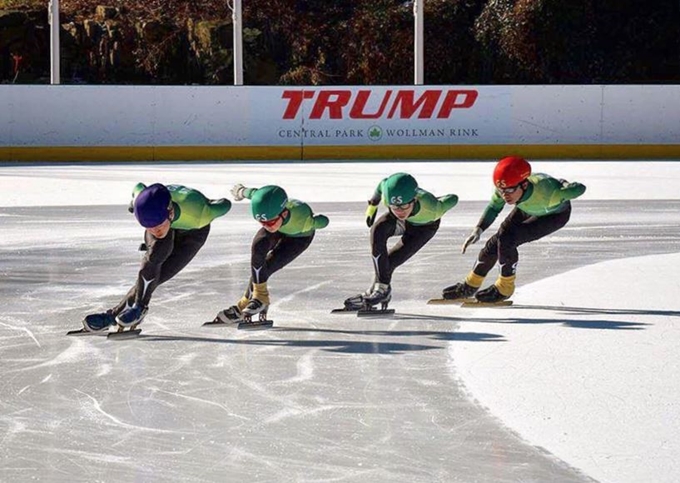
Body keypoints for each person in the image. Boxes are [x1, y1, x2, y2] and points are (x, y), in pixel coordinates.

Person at [82, 183, 231, 332]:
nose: (155, 231)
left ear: (170, 212)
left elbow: (225, 204)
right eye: (148, 226)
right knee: (155, 257)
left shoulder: (200, 213)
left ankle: (120, 313)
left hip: (193, 231)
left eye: (157, 226)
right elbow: (138, 187)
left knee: (160, 275)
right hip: (165, 215)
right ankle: (129, 311)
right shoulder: (143, 200)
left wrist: (221, 199)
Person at [442, 156, 586, 303]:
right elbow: (493, 207)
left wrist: (564, 184)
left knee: (508, 239)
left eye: (509, 190)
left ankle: (505, 288)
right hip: (527, 207)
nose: (505, 195)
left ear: (524, 185)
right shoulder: (507, 188)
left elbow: (580, 188)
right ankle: (471, 284)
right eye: (501, 190)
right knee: (495, 241)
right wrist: (478, 229)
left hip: (553, 215)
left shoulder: (550, 193)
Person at [215, 184, 329, 322]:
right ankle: (258, 298)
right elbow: (254, 194)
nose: (267, 226)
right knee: (258, 247)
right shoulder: (268, 214)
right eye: (262, 223)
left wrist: (319, 222)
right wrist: (241, 191)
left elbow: (323, 221)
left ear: (284, 213)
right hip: (282, 226)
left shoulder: (303, 220)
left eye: (270, 222)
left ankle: (244, 305)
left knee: (267, 266)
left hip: (299, 237)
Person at [344, 172, 458, 310]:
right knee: (377, 230)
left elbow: (453, 198)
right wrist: (373, 206)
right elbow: (382, 184)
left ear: (414, 199)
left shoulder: (432, 208)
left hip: (423, 227)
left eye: (404, 206)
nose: (400, 211)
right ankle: (380, 289)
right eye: (394, 207)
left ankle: (378, 291)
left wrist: (440, 201)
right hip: (401, 222)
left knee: (390, 261)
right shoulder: (390, 198)